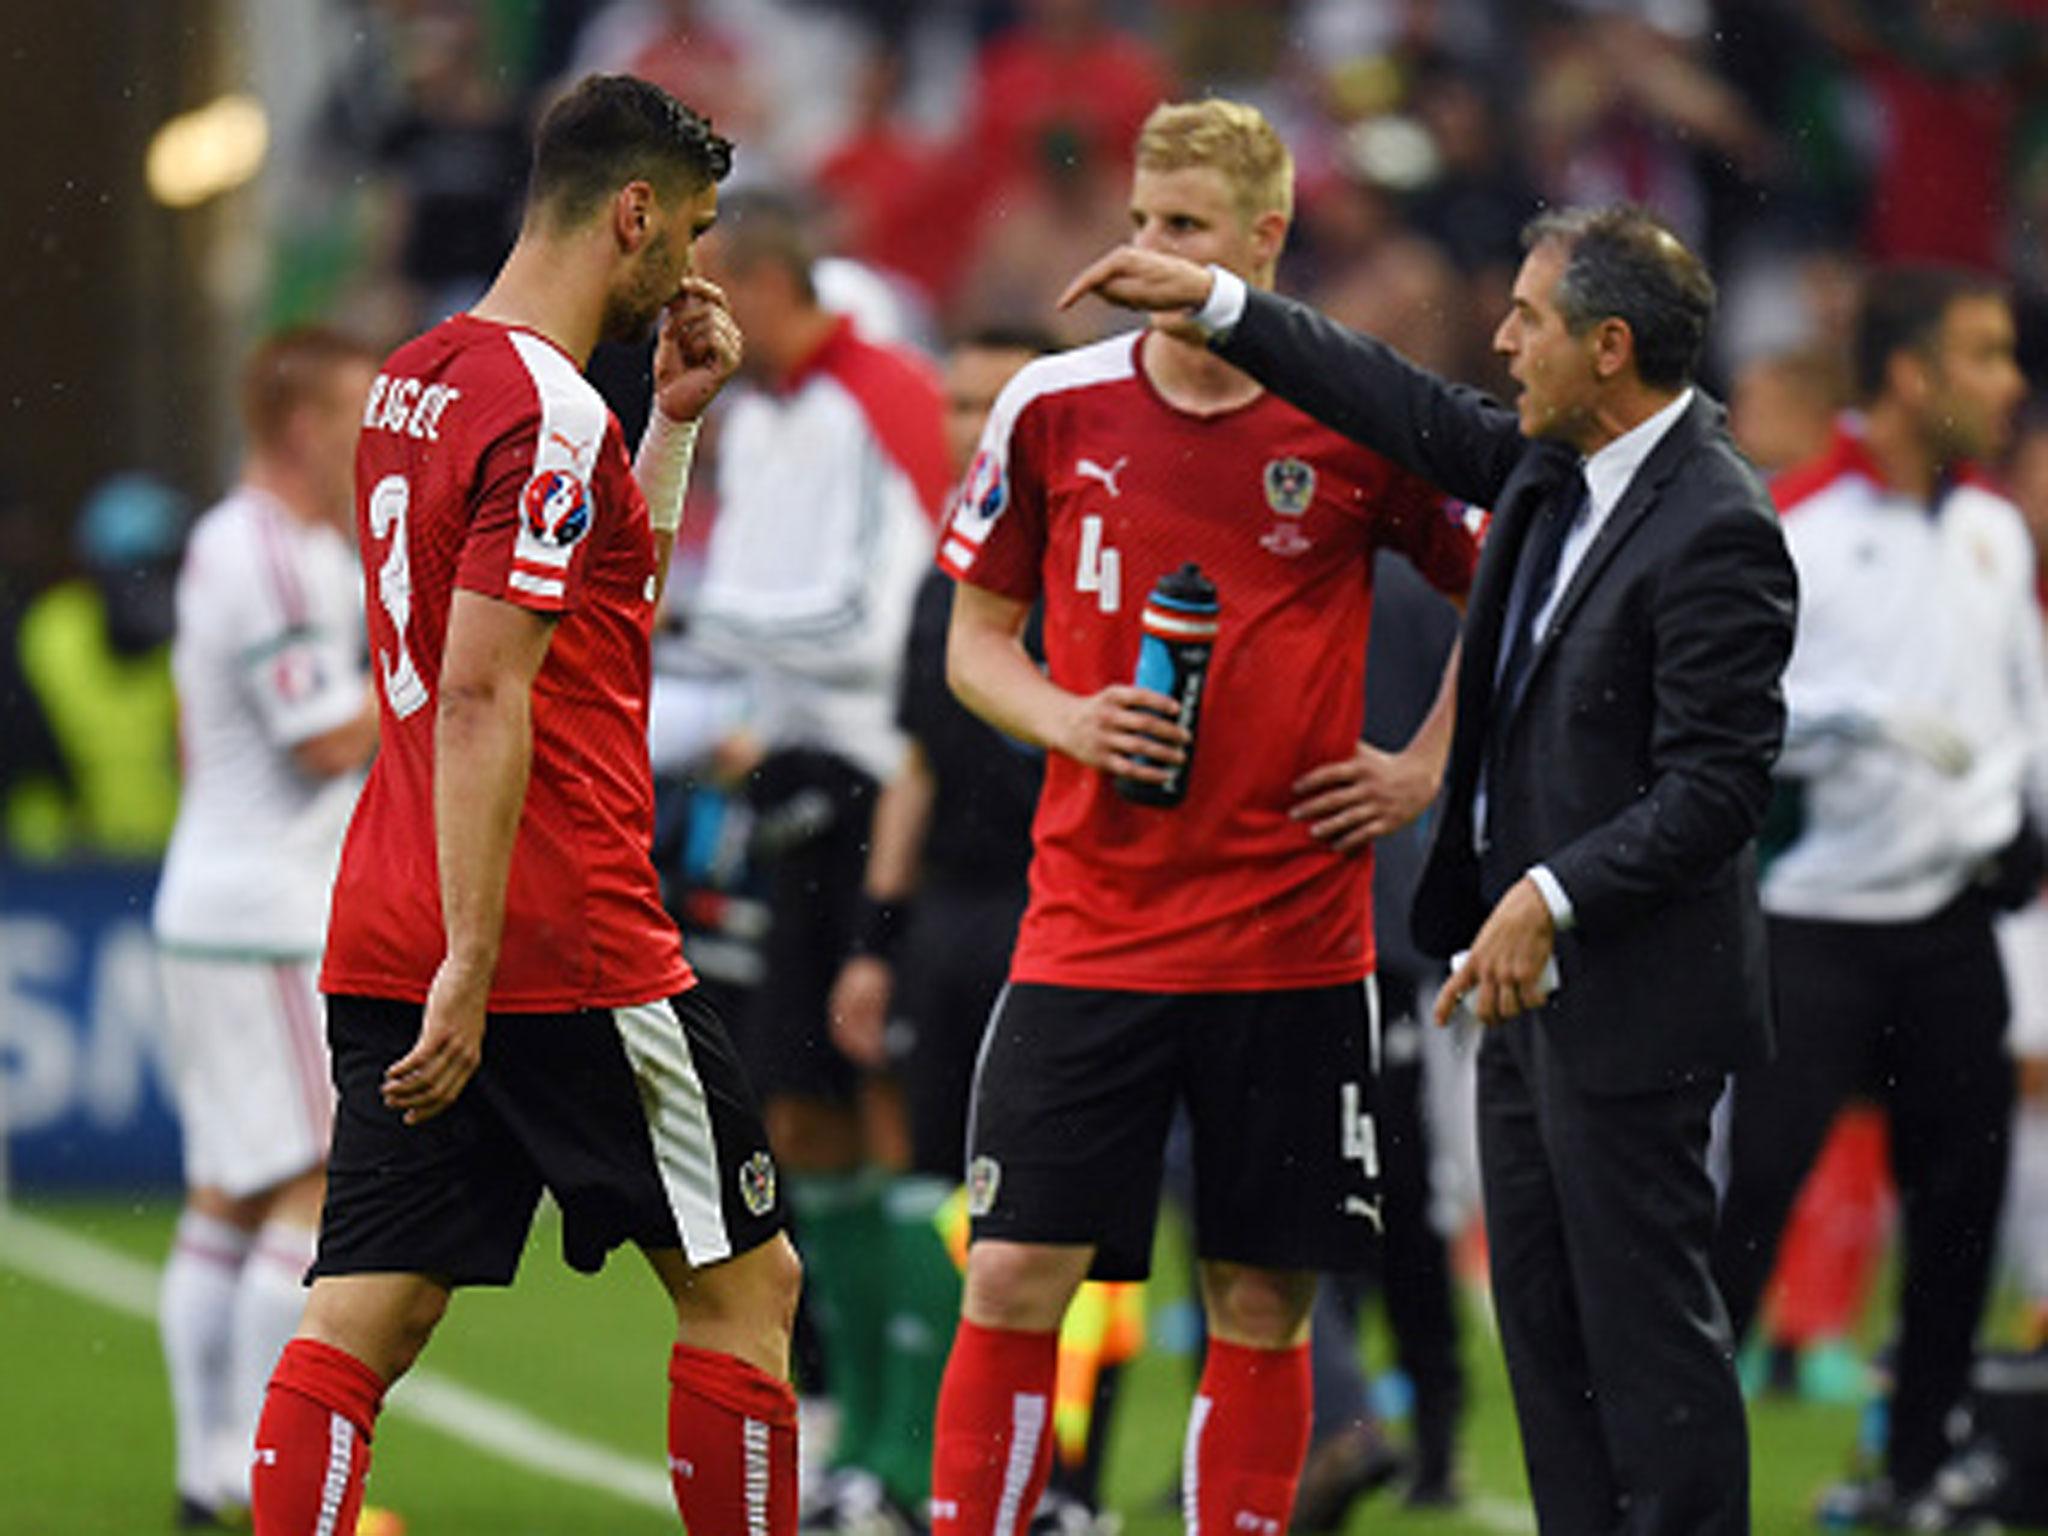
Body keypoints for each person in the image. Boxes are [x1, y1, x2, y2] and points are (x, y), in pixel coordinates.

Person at [1063, 200, 1799, 1535]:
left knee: (1646, 1347)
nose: (1503, 340)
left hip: (1629, 998)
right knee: (1550, 1340)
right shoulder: (1546, 464)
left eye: (1530, 318)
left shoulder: (1717, 528)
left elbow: (1719, 785)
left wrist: (1554, 893)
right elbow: (1394, 400)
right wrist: (1220, 301)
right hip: (1522, 998)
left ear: (1611, 347)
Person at [248, 74, 805, 1536]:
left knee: (369, 1312)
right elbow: (493, 690)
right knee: (750, 1289)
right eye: (686, 230)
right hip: (552, 927)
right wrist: (479, 965)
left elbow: (599, 618)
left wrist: (672, 423)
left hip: (391, 900)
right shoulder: (550, 414)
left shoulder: (413, 377)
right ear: (632, 214)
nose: (689, 265)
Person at [927, 98, 1480, 1536]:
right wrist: (1067, 716)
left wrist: (1426, 762)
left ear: (1264, 242)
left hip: (1293, 942)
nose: (1151, 254)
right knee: (1010, 1276)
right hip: (1090, 928)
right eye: (1142, 221)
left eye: (1186, 229)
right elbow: (974, 639)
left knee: (1261, 1296)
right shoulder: (1054, 405)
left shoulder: (1358, 417)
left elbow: (1517, 593)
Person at [1711, 267, 2040, 1529]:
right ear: (1909, 377)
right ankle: (1674, 1466)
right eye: (1982, 355)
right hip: (1813, 924)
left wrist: (2017, 814)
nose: (2007, 385)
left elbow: (2015, 704)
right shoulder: (1795, 526)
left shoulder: (1991, 532)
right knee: (1749, 1203)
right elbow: (1728, 718)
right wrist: (1854, 720)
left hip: (1952, 927)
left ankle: (1912, 1470)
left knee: (1955, 1214)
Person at [683, 188, 951, 1532]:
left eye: (711, 279)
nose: (693, 307)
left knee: (895, 1120)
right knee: (799, 1124)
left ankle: (923, 1459)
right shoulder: (768, 416)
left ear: (771, 284)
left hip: (882, 790)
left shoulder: (876, 396)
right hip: (790, 795)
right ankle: (855, 1438)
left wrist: (688, 622)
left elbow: (875, 622)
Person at [151, 327, 381, 1532]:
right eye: (354, 411)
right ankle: (253, 1469)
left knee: (223, 1197)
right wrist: (445, 685)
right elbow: (320, 739)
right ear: (303, 425)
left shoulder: (269, 547)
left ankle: (205, 1473)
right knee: (311, 1179)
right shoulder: (270, 553)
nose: (368, 437)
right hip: (269, 921)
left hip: (218, 900)